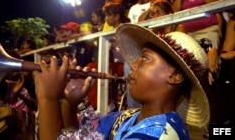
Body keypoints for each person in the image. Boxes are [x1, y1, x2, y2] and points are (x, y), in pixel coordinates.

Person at [33, 23, 210, 140]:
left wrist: (48, 99)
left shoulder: (160, 135)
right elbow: (76, 137)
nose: (133, 65)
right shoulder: (129, 117)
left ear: (174, 76)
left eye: (145, 58)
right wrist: (69, 103)